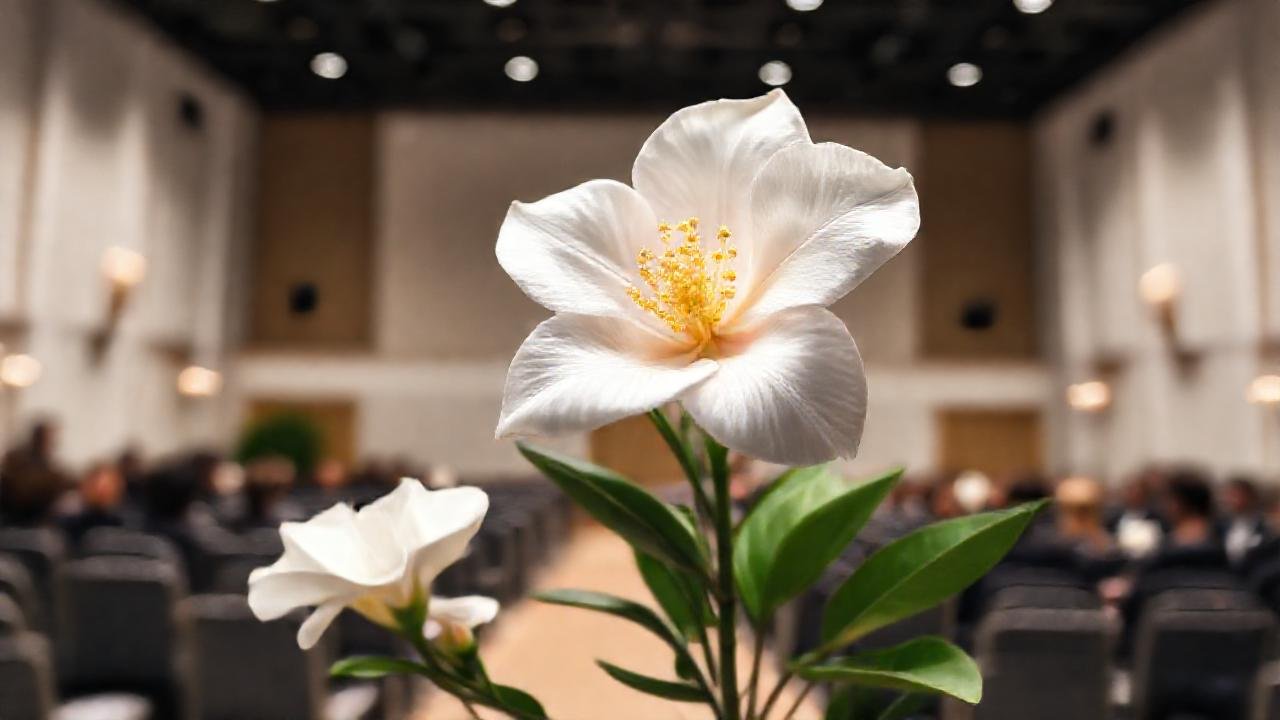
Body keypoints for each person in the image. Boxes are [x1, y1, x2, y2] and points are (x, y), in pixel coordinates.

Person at [0, 420, 72, 525]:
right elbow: (23, 491)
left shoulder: (47, 464)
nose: (54, 442)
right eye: (50, 437)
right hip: (14, 519)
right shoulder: (17, 458)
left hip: (40, 520)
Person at [60, 462, 128, 546]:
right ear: (84, 486)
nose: (102, 492)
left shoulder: (127, 522)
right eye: (97, 485)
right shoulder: (69, 521)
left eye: (108, 486)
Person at [1219, 475, 1269, 567]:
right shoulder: (1221, 525)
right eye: (1228, 496)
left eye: (1235, 496)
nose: (1229, 500)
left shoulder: (1265, 526)